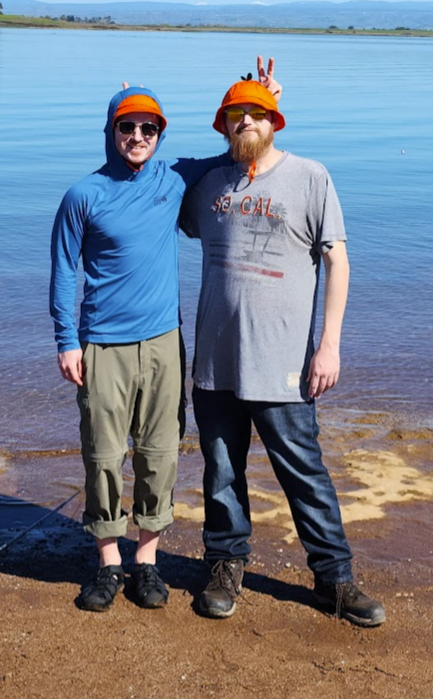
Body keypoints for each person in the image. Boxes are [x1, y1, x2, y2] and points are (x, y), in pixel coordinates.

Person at [49, 64, 278, 613]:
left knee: (159, 454)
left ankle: (146, 561)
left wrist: (260, 106)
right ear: (111, 130)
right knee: (103, 455)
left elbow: (239, 153)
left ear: (160, 136)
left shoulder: (175, 179)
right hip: (102, 344)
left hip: (162, 344)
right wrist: (67, 340)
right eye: (128, 128)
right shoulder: (83, 195)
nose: (137, 138)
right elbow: (62, 273)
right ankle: (108, 564)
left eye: (148, 129)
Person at [180, 79, 386, 627]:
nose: (246, 122)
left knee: (304, 474)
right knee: (221, 474)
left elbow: (338, 263)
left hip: (285, 367)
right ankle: (225, 566)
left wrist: (329, 345)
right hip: (215, 366)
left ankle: (335, 582)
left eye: (257, 115)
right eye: (235, 115)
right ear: (222, 125)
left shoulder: (310, 177)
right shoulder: (207, 184)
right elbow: (151, 170)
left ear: (276, 121)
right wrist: (126, 117)